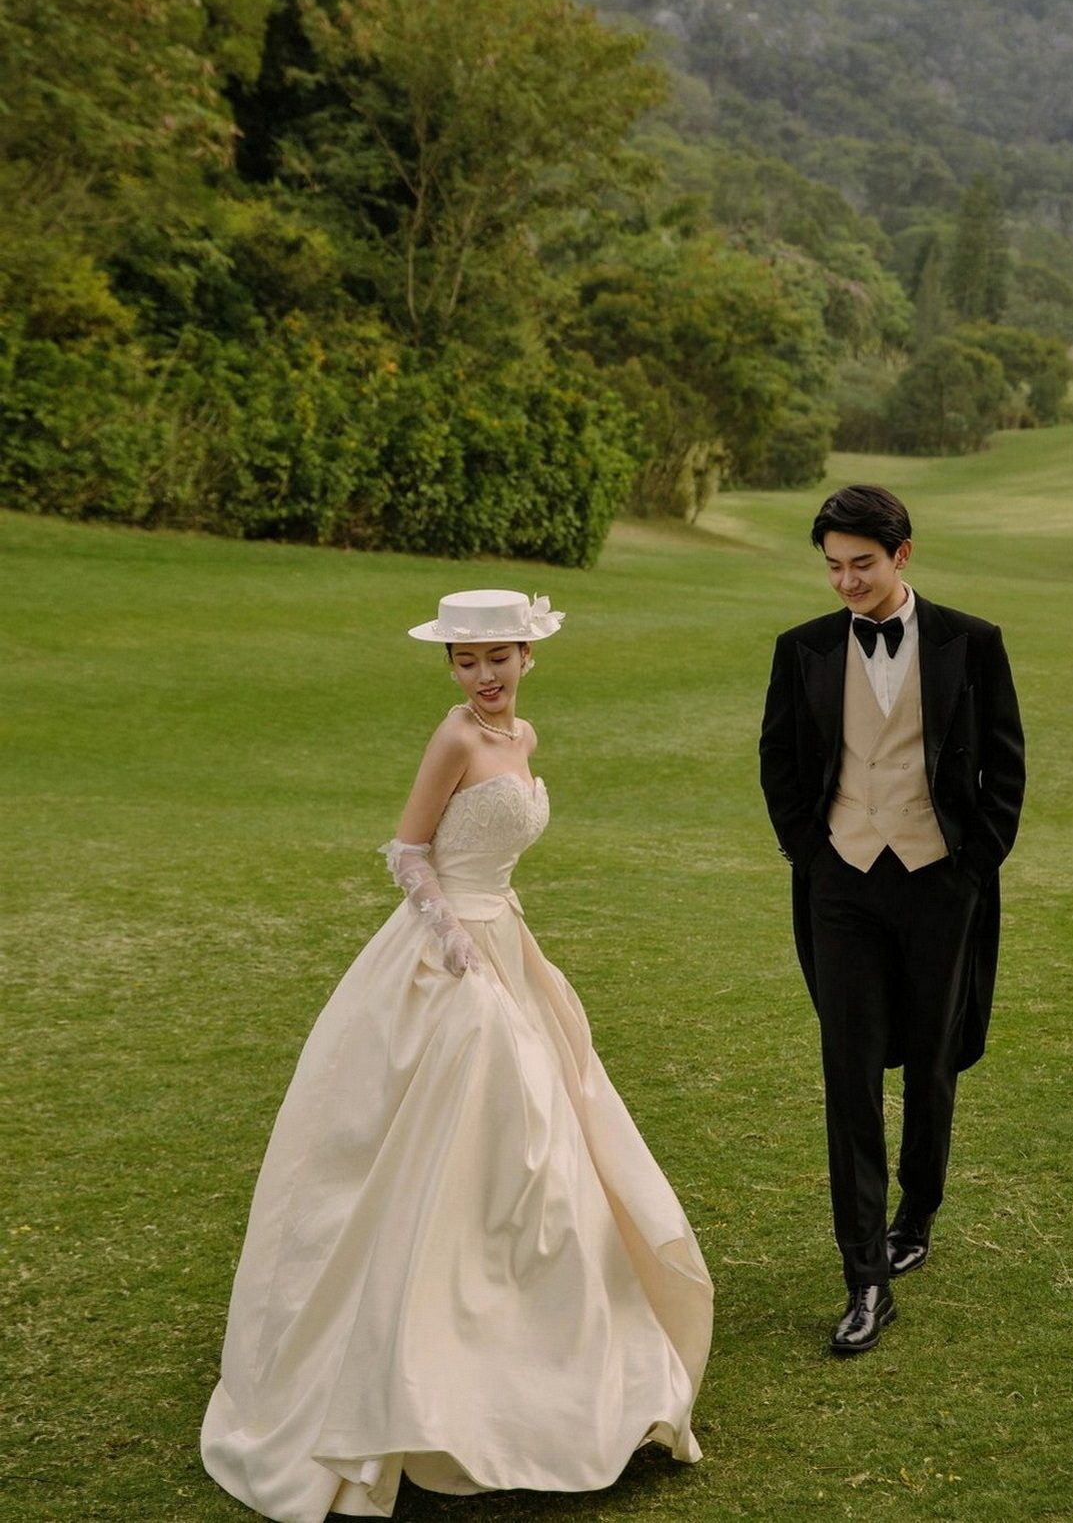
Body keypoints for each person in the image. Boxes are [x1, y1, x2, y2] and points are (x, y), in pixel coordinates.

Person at [202, 590, 712, 1523]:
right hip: (448, 962)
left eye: (498, 657)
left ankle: (532, 1354)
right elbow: (407, 851)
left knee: (545, 1137)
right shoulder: (455, 740)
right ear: (451, 666)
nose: (484, 675)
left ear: (527, 656)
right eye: (467, 661)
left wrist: (494, 938)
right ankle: (416, 1362)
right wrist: (454, 943)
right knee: (486, 1132)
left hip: (505, 941)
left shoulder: (524, 737)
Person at [759, 486, 1025, 1355]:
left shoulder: (971, 642)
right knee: (849, 1073)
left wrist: (970, 868)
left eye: (862, 565)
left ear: (902, 555)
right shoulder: (801, 648)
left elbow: (1005, 765)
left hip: (938, 881)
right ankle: (865, 1276)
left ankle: (918, 1215)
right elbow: (778, 758)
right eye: (833, 567)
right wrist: (812, 854)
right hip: (842, 886)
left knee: (933, 1060)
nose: (846, 582)